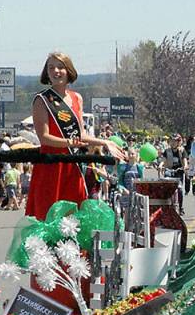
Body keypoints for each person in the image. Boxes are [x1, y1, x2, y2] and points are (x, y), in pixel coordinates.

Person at [25, 52, 125, 220]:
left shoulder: (76, 98)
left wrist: (104, 142)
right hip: (51, 166)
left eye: (60, 67)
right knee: (50, 215)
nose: (56, 71)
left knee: (75, 215)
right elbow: (44, 138)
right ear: (46, 73)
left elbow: (81, 134)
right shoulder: (42, 100)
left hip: (72, 166)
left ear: (69, 70)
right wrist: (71, 142)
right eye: (51, 68)